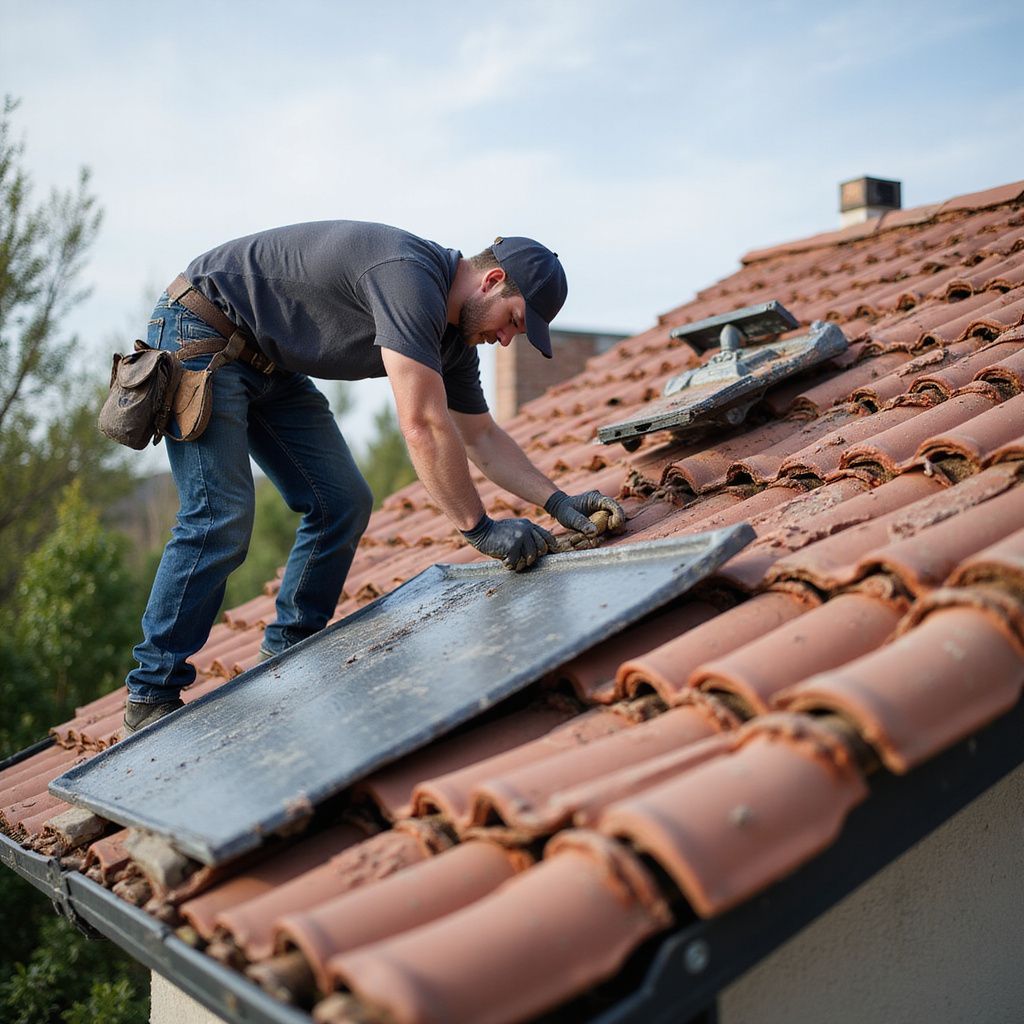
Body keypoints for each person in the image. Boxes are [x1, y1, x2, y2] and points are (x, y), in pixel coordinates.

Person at [122, 221, 624, 735]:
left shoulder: (453, 342)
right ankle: (151, 692)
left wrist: (557, 501)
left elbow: (482, 437)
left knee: (342, 502)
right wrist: (479, 529)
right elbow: (422, 425)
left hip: (268, 361)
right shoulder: (410, 279)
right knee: (220, 518)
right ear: (492, 281)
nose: (505, 340)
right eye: (513, 321)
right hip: (201, 327)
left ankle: (286, 652)